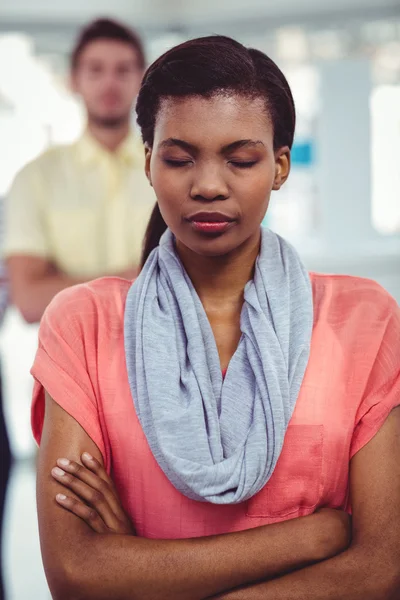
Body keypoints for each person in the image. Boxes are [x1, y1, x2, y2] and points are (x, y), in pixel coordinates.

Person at [31, 36, 400, 600]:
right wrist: (312, 536)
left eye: (241, 159)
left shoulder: (364, 320)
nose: (207, 185)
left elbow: (381, 569)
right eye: (179, 159)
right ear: (149, 162)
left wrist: (148, 573)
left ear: (279, 166)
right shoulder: (83, 322)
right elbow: (77, 573)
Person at [3, 18, 155, 324]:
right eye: (95, 69)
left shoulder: (174, 168)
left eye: (123, 70)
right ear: (73, 79)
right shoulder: (35, 179)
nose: (109, 83)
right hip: (65, 366)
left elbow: (199, 285)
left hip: (162, 363)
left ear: (142, 78)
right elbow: (30, 301)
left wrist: (65, 282)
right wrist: (139, 278)